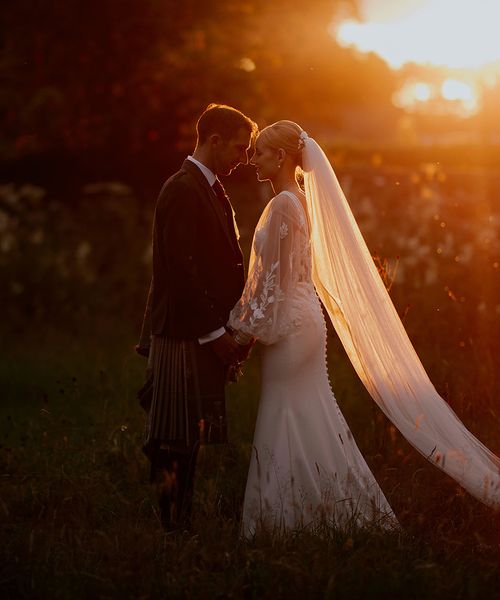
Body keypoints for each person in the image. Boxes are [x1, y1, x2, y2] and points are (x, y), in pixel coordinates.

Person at [228, 120, 500, 537]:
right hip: (301, 322)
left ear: (281, 157)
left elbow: (276, 282)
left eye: (260, 153)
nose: (253, 160)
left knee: (284, 410)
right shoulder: (297, 201)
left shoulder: (285, 204)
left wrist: (243, 331)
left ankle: (279, 521)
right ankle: (325, 510)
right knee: (307, 412)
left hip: (290, 326)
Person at [138, 103, 257, 531]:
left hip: (201, 332)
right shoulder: (183, 188)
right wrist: (213, 332)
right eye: (239, 149)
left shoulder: (207, 187)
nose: (242, 159)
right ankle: (172, 531)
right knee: (173, 436)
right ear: (214, 140)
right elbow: (179, 268)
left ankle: (180, 526)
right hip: (183, 333)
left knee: (190, 435)